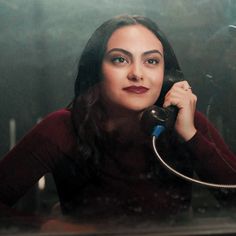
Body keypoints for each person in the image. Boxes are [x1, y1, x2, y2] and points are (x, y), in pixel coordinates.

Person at [0, 15, 236, 230]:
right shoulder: (62, 127)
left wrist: (191, 135)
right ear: (97, 71)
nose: (137, 73)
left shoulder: (184, 122)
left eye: (152, 61)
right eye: (120, 59)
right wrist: (46, 226)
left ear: (168, 75)